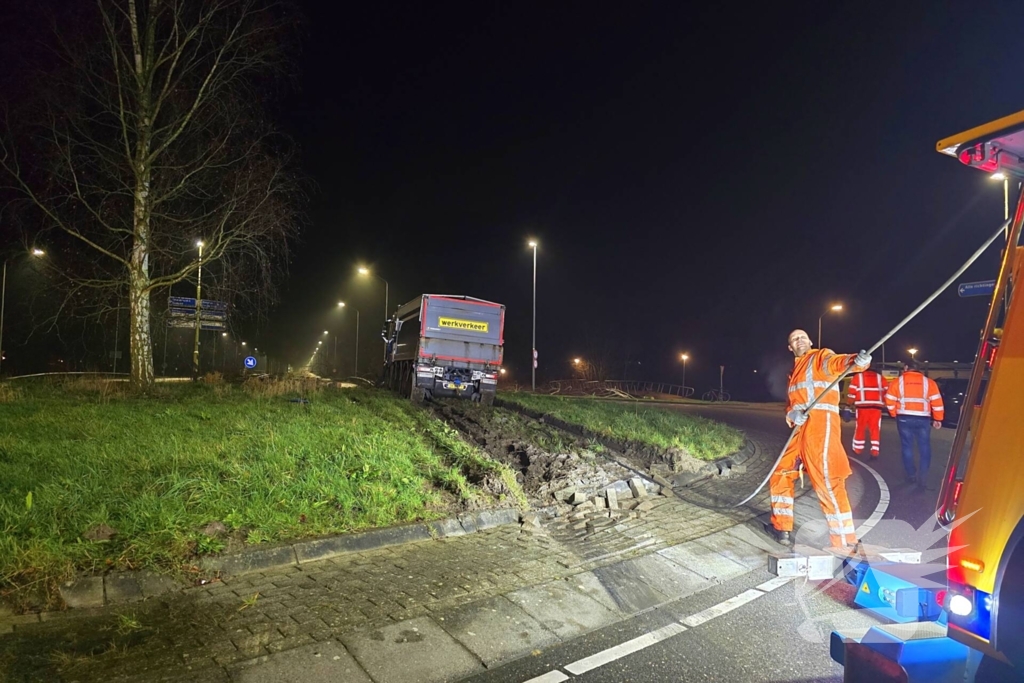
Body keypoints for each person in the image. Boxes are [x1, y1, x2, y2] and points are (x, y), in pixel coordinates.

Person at [768, 329, 871, 548]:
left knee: (828, 480)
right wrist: (792, 414)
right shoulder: (793, 372)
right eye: (795, 339)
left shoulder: (820, 357)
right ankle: (781, 527)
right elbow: (793, 403)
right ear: (790, 347)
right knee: (781, 472)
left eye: (803, 337)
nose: (799, 340)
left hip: (820, 427)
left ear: (810, 341)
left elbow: (840, 364)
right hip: (800, 430)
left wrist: (857, 361)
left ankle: (844, 541)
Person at [884, 361, 944, 490]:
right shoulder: (929, 383)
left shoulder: (897, 382)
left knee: (907, 446)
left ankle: (911, 474)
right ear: (919, 370)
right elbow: (937, 402)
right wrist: (938, 418)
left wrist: (894, 413)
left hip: (904, 417)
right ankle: (922, 478)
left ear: (906, 368)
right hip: (923, 418)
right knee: (925, 447)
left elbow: (889, 399)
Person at [847, 368, 888, 457]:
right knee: (875, 428)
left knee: (860, 427)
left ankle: (858, 448)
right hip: (876, 408)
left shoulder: (858, 377)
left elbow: (852, 393)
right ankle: (875, 450)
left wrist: (849, 403)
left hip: (862, 407)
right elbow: (886, 392)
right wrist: (886, 404)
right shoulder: (881, 378)